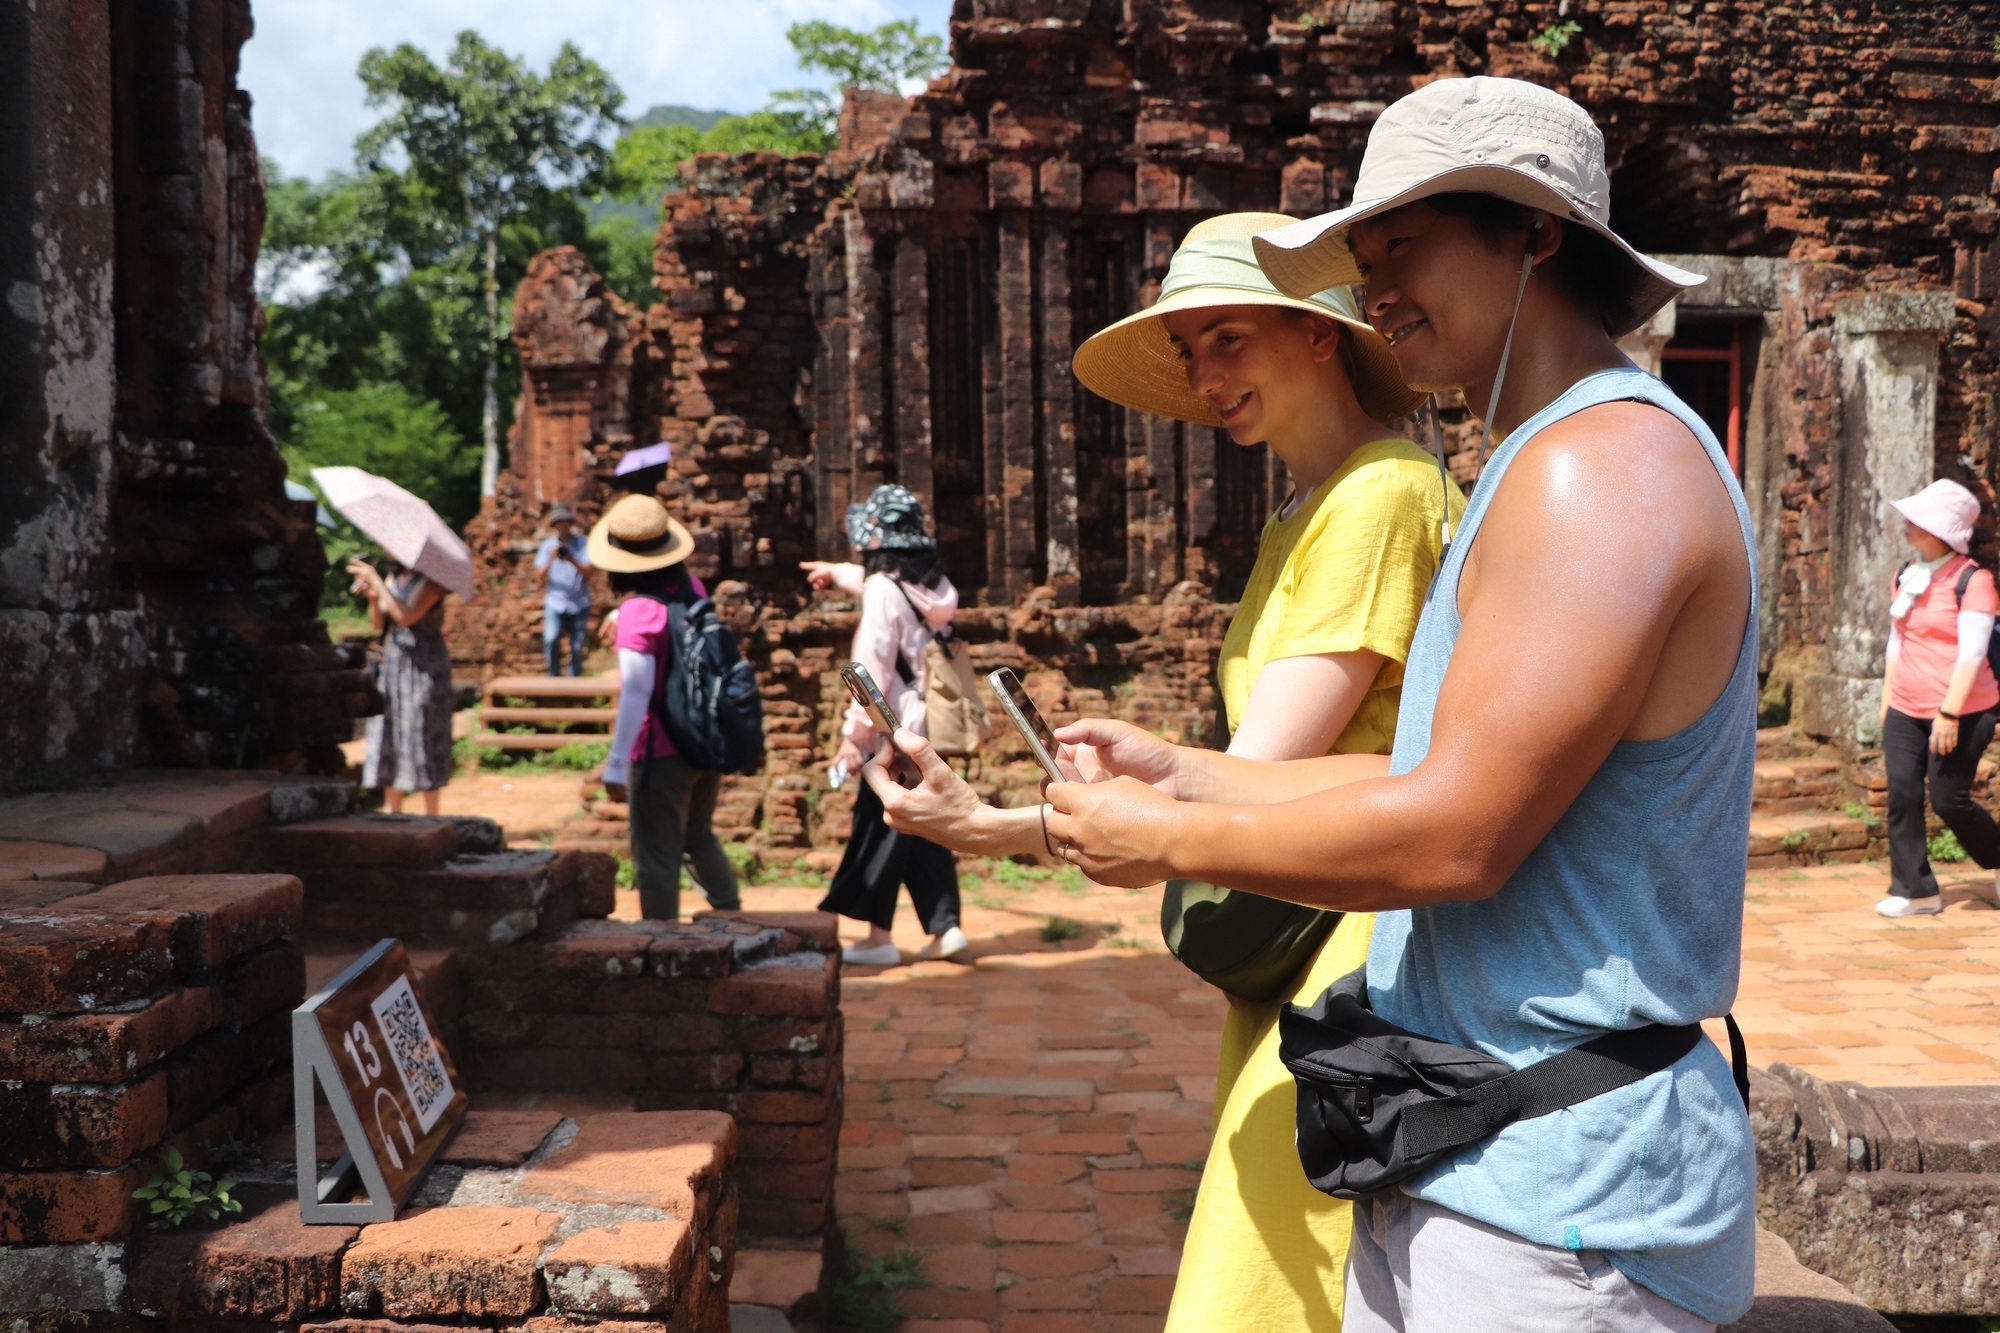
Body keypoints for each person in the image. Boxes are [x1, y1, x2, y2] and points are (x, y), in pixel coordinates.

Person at [899, 77, 1756, 1329]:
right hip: (1468, 1145)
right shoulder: (1532, 459)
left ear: (1535, 233)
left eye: (1401, 243)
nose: (1372, 287)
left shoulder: (1596, 468)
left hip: (1560, 1200)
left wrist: (1169, 841)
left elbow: (1456, 836)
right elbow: (1430, 772)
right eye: (1361, 258)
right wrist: (1186, 774)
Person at [804, 484, 968, 967]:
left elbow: (868, 669)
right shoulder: (938, 589)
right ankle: (946, 928)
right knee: (922, 822)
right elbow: (888, 586)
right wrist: (838, 574)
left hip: (890, 729)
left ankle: (879, 940)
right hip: (930, 724)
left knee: (884, 825)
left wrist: (854, 738)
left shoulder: (882, 591)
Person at [591, 494, 742, 921]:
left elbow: (636, 689)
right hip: (705, 740)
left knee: (656, 854)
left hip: (660, 751)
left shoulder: (637, 610)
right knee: (698, 836)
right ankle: (734, 918)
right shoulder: (691, 588)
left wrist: (617, 763)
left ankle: (661, 941)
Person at [1877, 478, 2000, 917]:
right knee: (1902, 795)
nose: (1907, 526)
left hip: (1961, 710)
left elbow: (1971, 653)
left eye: (1917, 520)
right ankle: (1916, 890)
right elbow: (1898, 641)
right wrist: (1888, 698)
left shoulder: (1974, 581)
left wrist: (1948, 713)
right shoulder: (1905, 575)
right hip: (1906, 707)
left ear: (1940, 530)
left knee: (1950, 800)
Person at [349, 557, 454, 816]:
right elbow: (378, 623)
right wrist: (373, 597)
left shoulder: (432, 583)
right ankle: (394, 812)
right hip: (395, 664)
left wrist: (375, 581)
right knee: (390, 731)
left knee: (422, 732)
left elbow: (406, 617)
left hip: (425, 665)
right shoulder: (393, 580)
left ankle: (432, 815)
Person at [535, 503, 592, 677]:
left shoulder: (583, 544)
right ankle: (553, 676)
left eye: (565, 522)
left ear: (571, 523)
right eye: (559, 522)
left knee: (577, 646)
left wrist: (571, 558)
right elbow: (539, 576)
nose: (563, 526)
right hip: (555, 601)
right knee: (551, 639)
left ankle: (574, 682)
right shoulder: (547, 546)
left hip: (579, 601)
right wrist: (551, 559)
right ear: (554, 525)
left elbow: (590, 571)